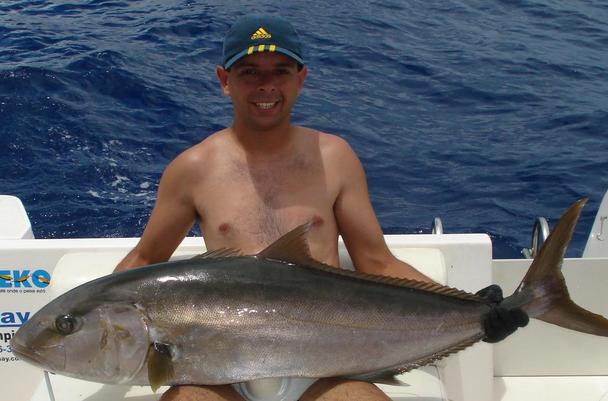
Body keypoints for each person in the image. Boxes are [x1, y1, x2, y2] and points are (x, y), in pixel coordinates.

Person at [115, 15, 526, 401]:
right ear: (225, 81)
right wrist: (83, 315)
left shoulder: (334, 157)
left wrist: (473, 309)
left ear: (301, 79)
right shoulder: (192, 169)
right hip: (221, 365)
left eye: (281, 72)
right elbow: (147, 258)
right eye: (250, 73)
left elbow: (376, 262)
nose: (266, 86)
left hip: (327, 364)